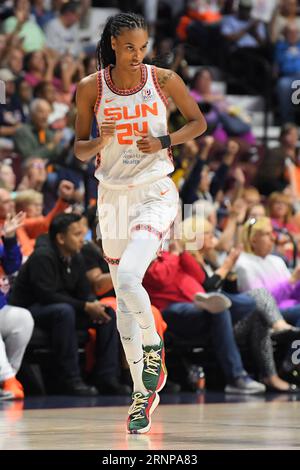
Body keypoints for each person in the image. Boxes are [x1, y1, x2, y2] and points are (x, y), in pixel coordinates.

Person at [74, 12, 207, 434]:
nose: (137, 54)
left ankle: (154, 352)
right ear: (113, 43)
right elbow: (79, 150)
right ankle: (141, 394)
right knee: (124, 302)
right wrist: (101, 137)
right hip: (111, 196)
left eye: (143, 47)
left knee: (131, 277)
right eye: (129, 46)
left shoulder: (164, 80)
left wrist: (165, 141)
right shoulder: (90, 88)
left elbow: (198, 123)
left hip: (155, 190)